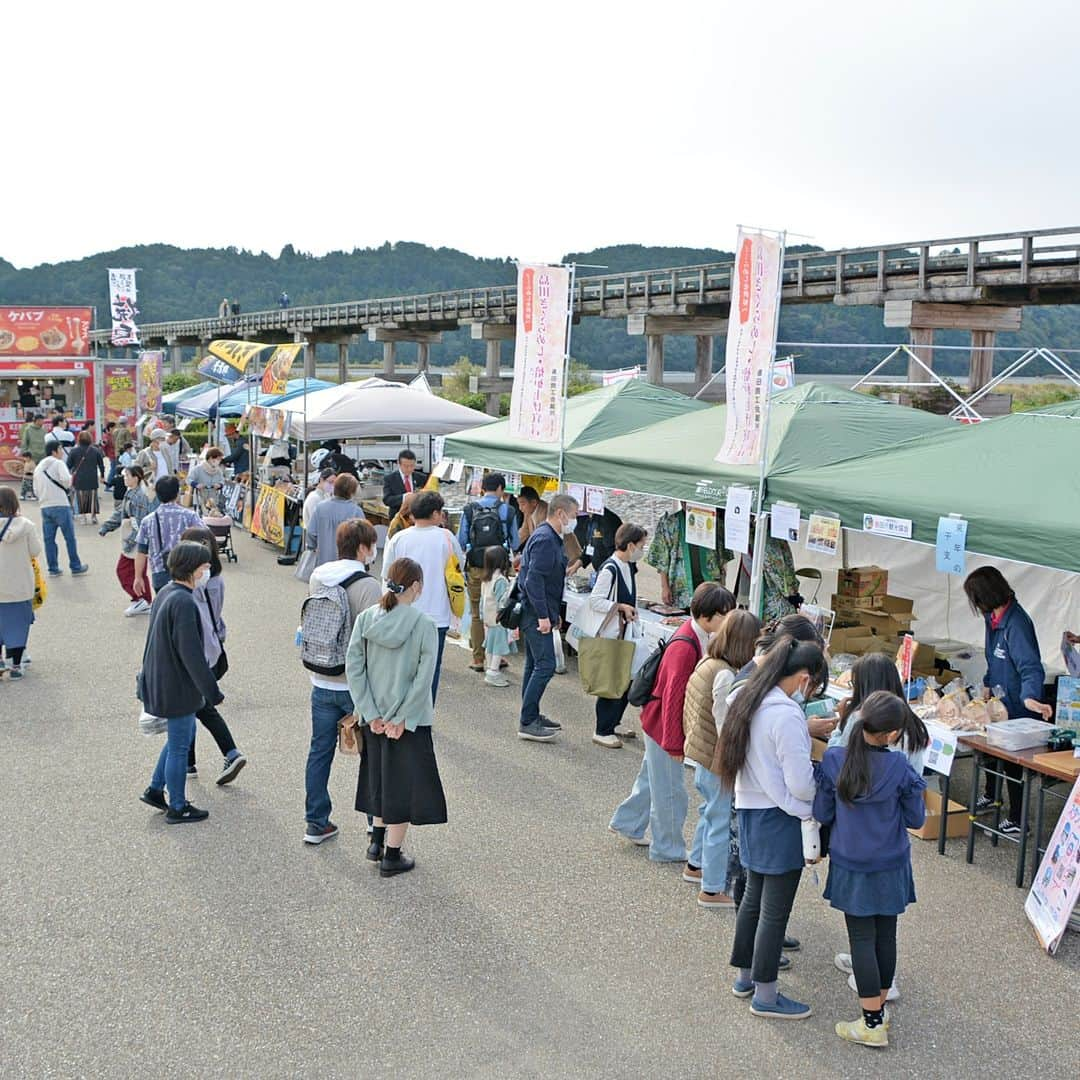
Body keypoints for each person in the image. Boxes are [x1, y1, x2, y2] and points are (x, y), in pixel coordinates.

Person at [719, 637, 828, 1020]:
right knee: (774, 911)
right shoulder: (785, 713)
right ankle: (766, 995)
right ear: (803, 677)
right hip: (778, 818)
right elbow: (799, 782)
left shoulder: (751, 698)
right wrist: (815, 798)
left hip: (749, 810)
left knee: (753, 900)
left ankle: (745, 977)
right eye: (813, 686)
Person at [814, 691, 927, 1048]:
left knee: (861, 938)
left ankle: (872, 1022)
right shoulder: (899, 768)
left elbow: (822, 813)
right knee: (886, 935)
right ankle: (877, 1011)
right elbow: (916, 818)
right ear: (892, 734)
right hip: (891, 863)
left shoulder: (834, 760)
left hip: (851, 863)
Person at [609, 583, 734, 857]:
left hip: (658, 723)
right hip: (664, 727)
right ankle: (667, 848)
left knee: (653, 780)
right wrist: (675, 745)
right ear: (707, 616)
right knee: (670, 791)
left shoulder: (693, 633)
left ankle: (627, 823)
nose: (729, 620)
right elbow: (672, 699)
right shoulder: (686, 646)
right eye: (725, 614)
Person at [346, 557, 446, 877]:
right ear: (415, 587)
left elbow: (355, 670)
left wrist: (371, 714)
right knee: (403, 787)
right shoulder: (423, 625)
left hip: (373, 719)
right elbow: (423, 679)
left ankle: (375, 843)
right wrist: (401, 718)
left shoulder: (365, 620)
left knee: (378, 779)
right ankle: (392, 854)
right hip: (407, 723)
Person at [303, 519, 382, 845]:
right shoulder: (369, 587)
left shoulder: (318, 577)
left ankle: (316, 823)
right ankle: (373, 820)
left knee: (320, 751)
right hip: (356, 685)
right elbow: (375, 640)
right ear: (364, 548)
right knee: (373, 754)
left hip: (321, 678)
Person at [137, 542, 224, 823]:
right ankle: (177, 805)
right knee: (179, 746)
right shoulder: (185, 602)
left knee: (179, 738)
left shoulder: (166, 593)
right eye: (204, 567)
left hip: (161, 679)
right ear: (191, 570)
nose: (207, 571)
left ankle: (155, 788)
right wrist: (211, 690)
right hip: (178, 685)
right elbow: (192, 654)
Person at [682, 609, 762, 907]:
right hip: (715, 759)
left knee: (708, 813)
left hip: (701, 754)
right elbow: (724, 725)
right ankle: (712, 888)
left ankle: (695, 865)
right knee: (718, 820)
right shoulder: (726, 674)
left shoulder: (708, 662)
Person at [963, 566, 1051, 836]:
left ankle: (1017, 820)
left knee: (1013, 764)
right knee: (987, 749)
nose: (976, 605)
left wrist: (1030, 698)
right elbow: (993, 658)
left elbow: (1031, 667)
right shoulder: (993, 618)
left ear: (986, 596)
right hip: (999, 703)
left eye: (975, 598)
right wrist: (987, 684)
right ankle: (991, 794)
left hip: (1018, 706)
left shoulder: (1017, 623)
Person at [382, 490, 464, 704]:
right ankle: (424, 716)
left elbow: (386, 576)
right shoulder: (447, 538)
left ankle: (400, 710)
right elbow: (459, 568)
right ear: (436, 514)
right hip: (436, 615)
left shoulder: (399, 538)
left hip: (403, 612)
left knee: (402, 666)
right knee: (430, 669)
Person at [180, 526, 247, 785]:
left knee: (197, 707)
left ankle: (226, 753)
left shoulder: (192, 586)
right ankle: (191, 761)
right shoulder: (217, 580)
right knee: (196, 706)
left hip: (194, 655)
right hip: (212, 650)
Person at [515, 492, 580, 741]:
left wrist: (552, 614)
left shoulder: (548, 535)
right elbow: (533, 580)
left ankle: (530, 714)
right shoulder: (545, 539)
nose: (574, 521)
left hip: (540, 610)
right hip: (534, 612)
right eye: (573, 516)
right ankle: (527, 720)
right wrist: (544, 615)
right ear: (561, 513)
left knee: (534, 664)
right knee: (545, 665)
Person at [584, 523, 649, 748]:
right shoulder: (610, 568)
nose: (642, 549)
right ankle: (602, 729)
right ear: (630, 545)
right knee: (612, 681)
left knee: (625, 678)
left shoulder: (628, 566)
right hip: (612, 634)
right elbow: (595, 600)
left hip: (624, 633)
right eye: (641, 545)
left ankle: (614, 722)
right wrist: (620, 605)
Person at [829, 654, 931, 774]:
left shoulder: (859, 719)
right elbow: (916, 772)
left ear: (864, 687)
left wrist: (842, 723)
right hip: (897, 791)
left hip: (860, 790)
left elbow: (835, 757)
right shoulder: (912, 723)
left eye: (854, 684)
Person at [459, 473, 520, 673]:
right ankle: (498, 656)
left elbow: (461, 541)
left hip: (476, 567)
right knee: (500, 612)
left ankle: (478, 659)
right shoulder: (508, 511)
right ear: (501, 489)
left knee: (476, 613)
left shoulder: (469, 509)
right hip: (499, 569)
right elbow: (516, 542)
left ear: (482, 488)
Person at [647, 501, 730, 609]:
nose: (685, 503)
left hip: (709, 583)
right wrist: (665, 587)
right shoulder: (670, 523)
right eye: (683, 500)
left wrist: (722, 584)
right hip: (680, 587)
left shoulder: (714, 522)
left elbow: (722, 559)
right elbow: (662, 558)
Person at [100, 464, 156, 615]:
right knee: (135, 571)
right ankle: (143, 600)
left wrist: (131, 541)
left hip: (136, 541)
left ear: (136, 478)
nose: (124, 478)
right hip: (134, 539)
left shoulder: (139, 496)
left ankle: (141, 600)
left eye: (127, 476)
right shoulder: (132, 492)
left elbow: (139, 523)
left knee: (125, 570)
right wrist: (107, 526)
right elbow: (120, 512)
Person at [0, 488, 42, 681]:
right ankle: (15, 665)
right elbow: (35, 550)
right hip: (19, 586)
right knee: (18, 626)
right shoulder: (26, 525)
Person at [134, 476, 202, 594]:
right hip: (187, 572)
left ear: (157, 494)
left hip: (160, 573)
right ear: (177, 494)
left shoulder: (148, 520)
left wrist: (138, 577)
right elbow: (205, 538)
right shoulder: (190, 516)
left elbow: (141, 552)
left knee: (165, 608)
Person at [33, 439, 89, 578]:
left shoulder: (39, 467)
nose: (62, 453)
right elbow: (66, 481)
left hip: (45, 506)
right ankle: (75, 566)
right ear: (54, 451)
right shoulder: (58, 463)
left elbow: (35, 490)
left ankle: (53, 568)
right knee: (69, 538)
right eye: (60, 449)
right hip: (61, 505)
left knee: (49, 540)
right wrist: (70, 479)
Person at [306, 472, 365, 569]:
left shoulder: (320, 508)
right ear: (352, 492)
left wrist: (313, 547)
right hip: (348, 563)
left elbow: (311, 532)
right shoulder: (356, 511)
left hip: (323, 560)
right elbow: (363, 537)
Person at [480, 545, 514, 688]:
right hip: (498, 619)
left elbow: (483, 599)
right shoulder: (500, 580)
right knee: (498, 647)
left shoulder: (486, 578)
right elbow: (503, 601)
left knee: (489, 645)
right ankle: (493, 672)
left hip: (487, 617)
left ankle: (490, 669)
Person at [65, 429, 106, 524]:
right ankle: (93, 517)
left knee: (81, 497)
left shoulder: (74, 451)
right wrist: (102, 476)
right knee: (93, 497)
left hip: (79, 478)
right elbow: (101, 464)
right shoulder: (95, 451)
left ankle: (83, 517)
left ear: (79, 439)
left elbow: (68, 465)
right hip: (92, 477)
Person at [571, 506, 623, 574]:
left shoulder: (607, 520)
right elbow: (590, 548)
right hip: (602, 572)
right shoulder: (590, 519)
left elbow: (614, 554)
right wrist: (575, 566)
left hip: (611, 573)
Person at [382, 449, 427, 516]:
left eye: (412, 466)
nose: (409, 469)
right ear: (399, 464)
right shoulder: (390, 479)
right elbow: (387, 500)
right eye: (406, 466)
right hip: (398, 517)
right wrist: (404, 497)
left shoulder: (421, 478)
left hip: (417, 518)